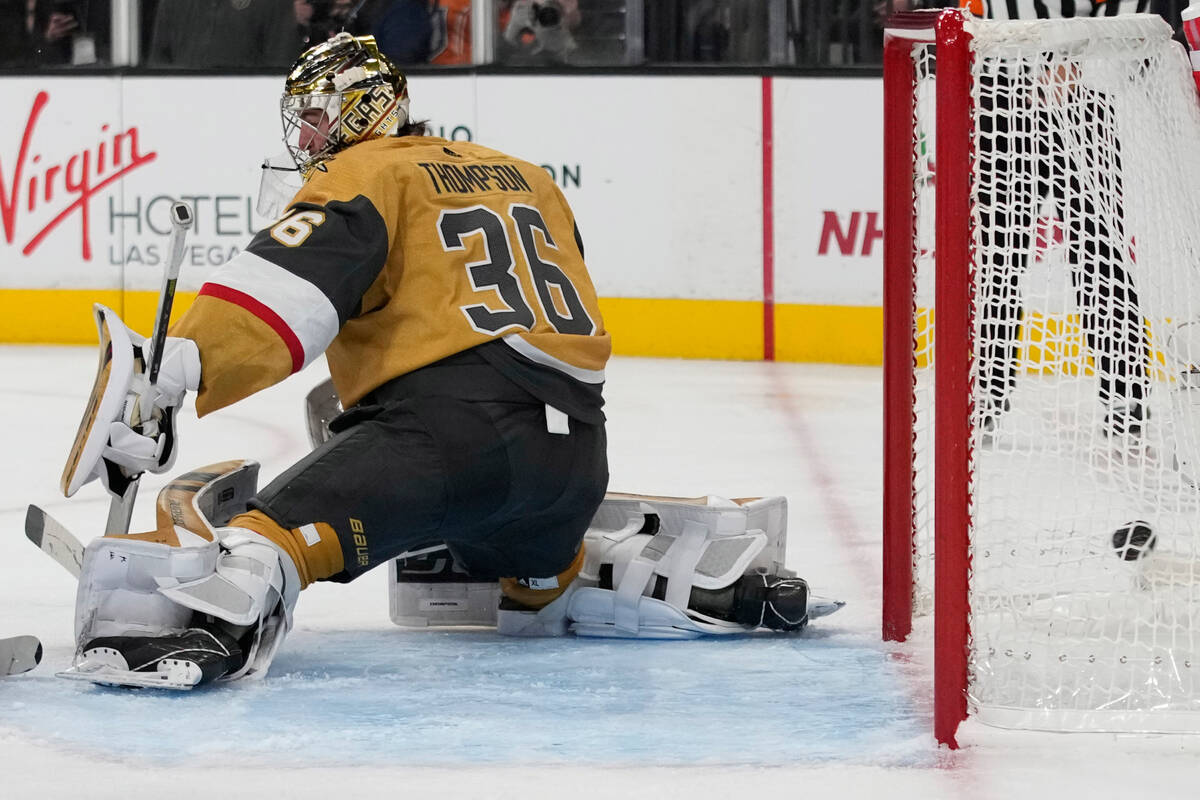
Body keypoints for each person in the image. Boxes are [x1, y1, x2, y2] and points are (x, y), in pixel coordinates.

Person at [60, 33, 814, 687]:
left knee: (266, 542)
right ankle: (640, 583)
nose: (309, 136)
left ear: (360, 109)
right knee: (527, 582)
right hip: (575, 459)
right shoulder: (529, 176)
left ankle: (200, 629)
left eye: (317, 115)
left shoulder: (366, 175)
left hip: (447, 444)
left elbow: (283, 295)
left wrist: (176, 368)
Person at [950, 0, 1153, 438]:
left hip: (1085, 106)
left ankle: (1125, 390)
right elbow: (974, 19)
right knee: (999, 256)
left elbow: (1131, 21)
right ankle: (985, 387)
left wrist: (1079, 65)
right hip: (1003, 106)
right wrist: (1017, 72)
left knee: (1100, 252)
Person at [148, 0, 298, 68]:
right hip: (180, 105)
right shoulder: (172, 3)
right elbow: (158, 62)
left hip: (247, 109)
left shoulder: (273, 3)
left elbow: (280, 66)